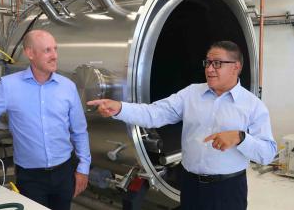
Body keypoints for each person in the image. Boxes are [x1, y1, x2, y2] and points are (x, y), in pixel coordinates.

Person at [87, 41, 277, 210]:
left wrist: (240, 137)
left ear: (236, 67)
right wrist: (120, 108)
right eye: (208, 63)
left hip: (227, 190)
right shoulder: (191, 94)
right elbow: (156, 113)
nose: (210, 69)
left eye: (217, 63)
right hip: (190, 186)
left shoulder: (253, 106)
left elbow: (267, 153)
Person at [0, 30, 91, 210]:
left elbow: (79, 131)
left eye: (55, 49)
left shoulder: (67, 87)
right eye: (47, 50)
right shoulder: (9, 86)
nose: (54, 56)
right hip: (31, 177)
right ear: (30, 53)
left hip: (64, 172)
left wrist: (83, 168)